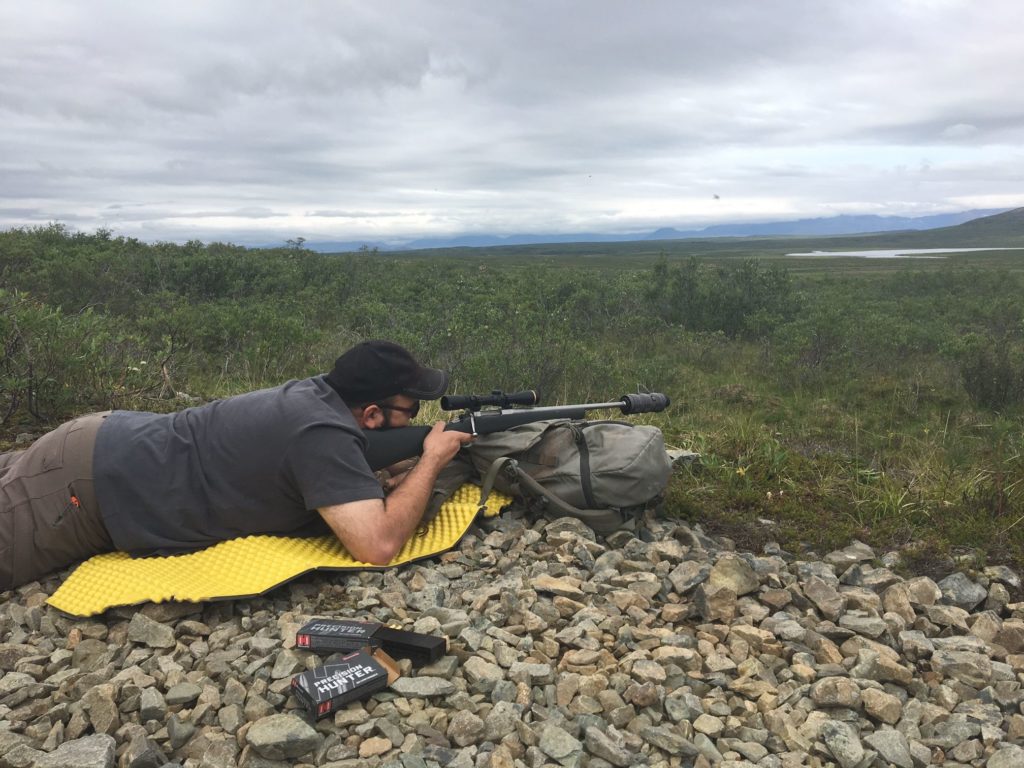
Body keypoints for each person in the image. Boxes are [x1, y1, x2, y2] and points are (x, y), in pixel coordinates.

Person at [0, 340, 472, 591]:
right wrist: (430, 458)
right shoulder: (321, 434)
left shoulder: (317, 396)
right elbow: (377, 545)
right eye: (412, 411)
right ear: (371, 414)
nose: (416, 420)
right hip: (82, 489)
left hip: (102, 446)